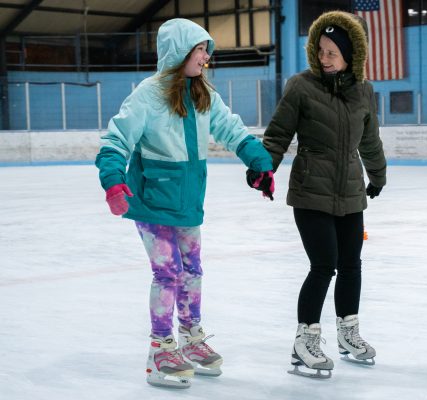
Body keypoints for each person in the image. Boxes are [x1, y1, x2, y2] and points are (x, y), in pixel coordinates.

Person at [94, 18, 274, 389]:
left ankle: (191, 339)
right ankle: (160, 349)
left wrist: (259, 161)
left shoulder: (204, 94)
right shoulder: (148, 94)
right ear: (180, 52)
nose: (206, 56)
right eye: (200, 49)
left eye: (207, 49)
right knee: (168, 272)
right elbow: (116, 140)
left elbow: (232, 129)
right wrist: (113, 181)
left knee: (192, 270)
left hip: (189, 201)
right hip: (152, 200)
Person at [258, 11, 386, 378]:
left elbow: (370, 140)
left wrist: (377, 176)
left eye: (332, 51)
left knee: (351, 265)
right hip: (310, 191)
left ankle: (349, 334)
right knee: (323, 265)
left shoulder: (363, 90)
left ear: (350, 55)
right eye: (321, 50)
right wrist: (264, 169)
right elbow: (278, 133)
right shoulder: (301, 86)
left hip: (349, 191)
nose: (325, 57)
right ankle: (305, 340)